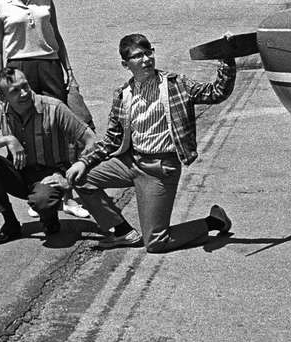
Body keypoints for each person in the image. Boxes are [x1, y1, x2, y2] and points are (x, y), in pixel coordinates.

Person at [66, 33, 235, 251]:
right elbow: (111, 140)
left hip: (160, 168)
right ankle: (123, 233)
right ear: (125, 64)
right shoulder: (122, 94)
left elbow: (217, 92)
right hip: (131, 162)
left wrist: (227, 57)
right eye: (138, 56)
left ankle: (215, 221)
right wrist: (83, 162)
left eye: (148, 53)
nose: (146, 60)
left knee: (156, 242)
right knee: (81, 178)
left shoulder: (176, 84)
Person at [0, 0, 91, 219]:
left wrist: (69, 72)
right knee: (27, 131)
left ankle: (67, 196)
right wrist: (0, 82)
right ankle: (36, 196)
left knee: (62, 131)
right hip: (19, 69)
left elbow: (57, 37)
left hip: (49, 65)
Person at [0, 68, 97, 246]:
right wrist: (7, 139)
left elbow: (90, 139)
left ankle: (50, 219)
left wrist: (73, 172)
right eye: (15, 91)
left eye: (25, 86)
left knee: (42, 201)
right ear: (3, 98)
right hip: (19, 174)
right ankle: (10, 223)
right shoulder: (0, 110)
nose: (25, 93)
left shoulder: (54, 108)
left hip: (51, 175)